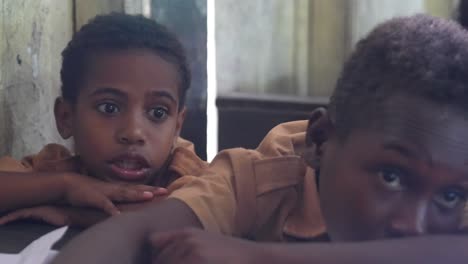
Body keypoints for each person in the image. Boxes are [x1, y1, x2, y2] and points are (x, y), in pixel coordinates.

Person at [54, 14, 468, 263]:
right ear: (319, 142)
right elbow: (134, 233)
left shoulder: (454, 169)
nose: (413, 226)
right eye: (392, 176)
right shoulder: (257, 179)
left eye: (450, 197)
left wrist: (261, 258)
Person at [0, 13, 206, 227]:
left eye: (158, 113)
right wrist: (65, 186)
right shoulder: (57, 169)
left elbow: (196, 212)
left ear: (177, 127)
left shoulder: (188, 175)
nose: (133, 132)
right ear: (66, 117)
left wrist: (74, 215)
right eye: (109, 108)